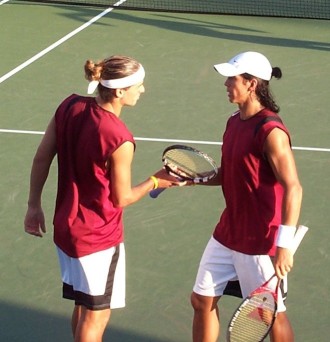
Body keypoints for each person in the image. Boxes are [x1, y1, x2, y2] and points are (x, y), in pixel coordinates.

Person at [24, 55, 182, 342]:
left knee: (84, 305)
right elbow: (121, 198)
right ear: (120, 91)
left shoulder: (69, 106)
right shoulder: (119, 137)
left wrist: (33, 205)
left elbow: (41, 158)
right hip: (97, 238)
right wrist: (156, 180)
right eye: (139, 85)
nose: (142, 90)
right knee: (97, 315)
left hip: (66, 229)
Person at [190, 51, 303, 342]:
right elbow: (227, 174)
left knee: (271, 315)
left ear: (252, 84)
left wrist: (285, 246)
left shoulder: (271, 131)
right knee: (201, 300)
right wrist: (193, 179)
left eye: (232, 78)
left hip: (260, 241)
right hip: (228, 232)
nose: (226, 83)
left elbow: (294, 187)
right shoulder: (233, 122)